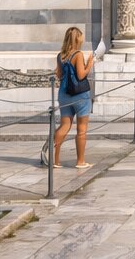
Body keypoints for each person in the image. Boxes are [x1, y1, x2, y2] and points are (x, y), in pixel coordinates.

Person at [52, 26, 94, 169]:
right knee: (81, 129)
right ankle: (80, 161)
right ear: (78, 40)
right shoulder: (78, 54)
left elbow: (58, 75)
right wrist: (89, 64)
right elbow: (81, 75)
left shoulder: (60, 55)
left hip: (64, 95)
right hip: (80, 96)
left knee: (64, 126)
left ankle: (55, 160)